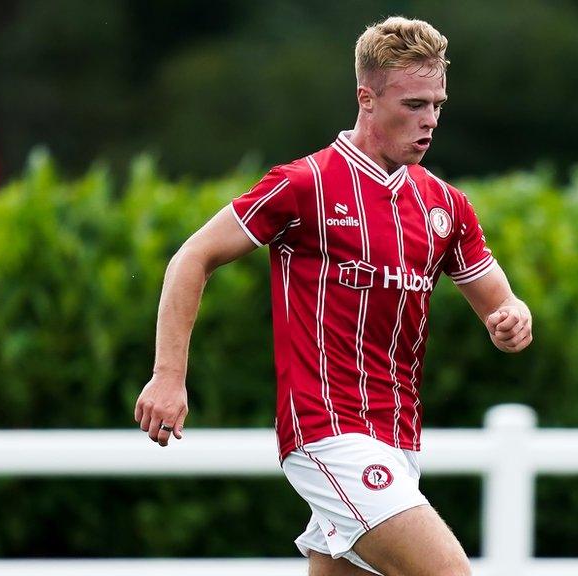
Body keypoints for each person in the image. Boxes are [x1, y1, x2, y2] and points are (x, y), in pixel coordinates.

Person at [134, 16, 532, 576]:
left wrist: (514, 318)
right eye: (414, 104)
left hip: (399, 439)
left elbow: (502, 306)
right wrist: (168, 374)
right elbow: (191, 258)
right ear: (365, 99)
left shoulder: (445, 206)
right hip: (327, 432)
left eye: (437, 104)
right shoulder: (305, 185)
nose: (430, 120)